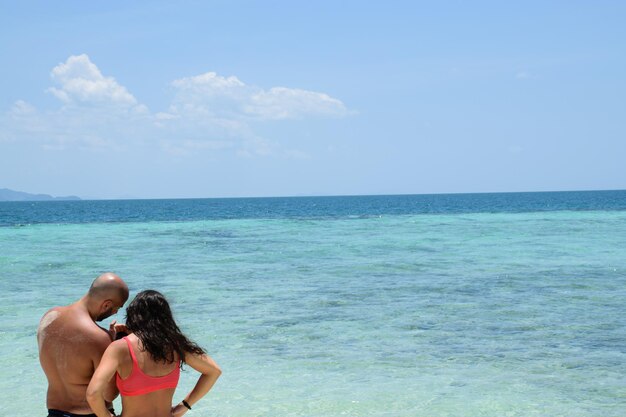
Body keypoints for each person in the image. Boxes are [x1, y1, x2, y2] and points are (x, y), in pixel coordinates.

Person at [86, 290, 222, 417]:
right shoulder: (176, 345)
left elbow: (93, 394)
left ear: (133, 315)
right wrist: (185, 405)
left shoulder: (119, 348)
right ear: (166, 317)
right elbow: (213, 371)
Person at [38, 272, 130, 417]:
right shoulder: (99, 337)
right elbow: (109, 394)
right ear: (106, 304)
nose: (115, 312)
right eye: (117, 308)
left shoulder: (49, 317)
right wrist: (115, 346)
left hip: (54, 411)